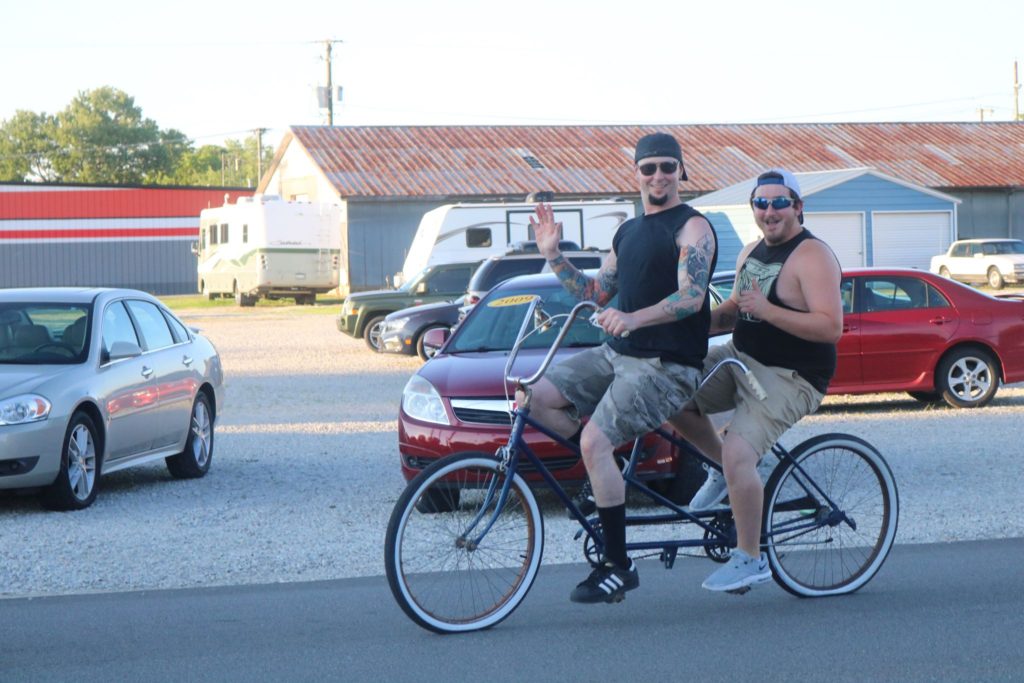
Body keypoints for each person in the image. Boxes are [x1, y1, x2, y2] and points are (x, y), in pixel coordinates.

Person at [523, 132, 718, 604]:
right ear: (636, 174)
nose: (658, 176)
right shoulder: (628, 232)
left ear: (681, 172)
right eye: (648, 168)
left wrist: (634, 318)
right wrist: (553, 255)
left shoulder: (693, 228)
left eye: (667, 167)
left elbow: (692, 298)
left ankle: (618, 564)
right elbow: (595, 295)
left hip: (666, 365)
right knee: (533, 398)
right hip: (619, 354)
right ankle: (602, 474)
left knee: (594, 439)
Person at [669, 168, 843, 594]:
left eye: (780, 202)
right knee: (666, 392)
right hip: (740, 357)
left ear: (798, 207)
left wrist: (768, 312)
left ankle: (750, 557)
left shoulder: (813, 256)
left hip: (791, 376)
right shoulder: (750, 252)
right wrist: (682, 326)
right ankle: (723, 469)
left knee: (738, 453)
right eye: (761, 203)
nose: (770, 211)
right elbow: (733, 310)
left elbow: (830, 327)